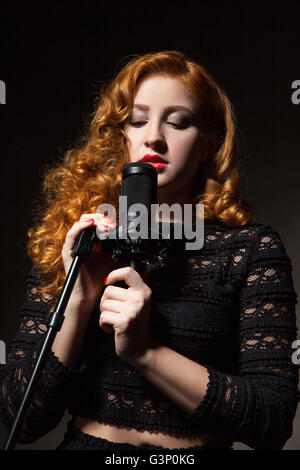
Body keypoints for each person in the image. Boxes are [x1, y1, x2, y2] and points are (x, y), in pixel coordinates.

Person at [0, 51, 299, 451]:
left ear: (210, 140)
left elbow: (272, 421)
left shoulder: (250, 249)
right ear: (118, 135)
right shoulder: (80, 239)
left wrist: (144, 351)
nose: (153, 137)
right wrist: (79, 299)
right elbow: (20, 419)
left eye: (178, 122)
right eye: (137, 121)